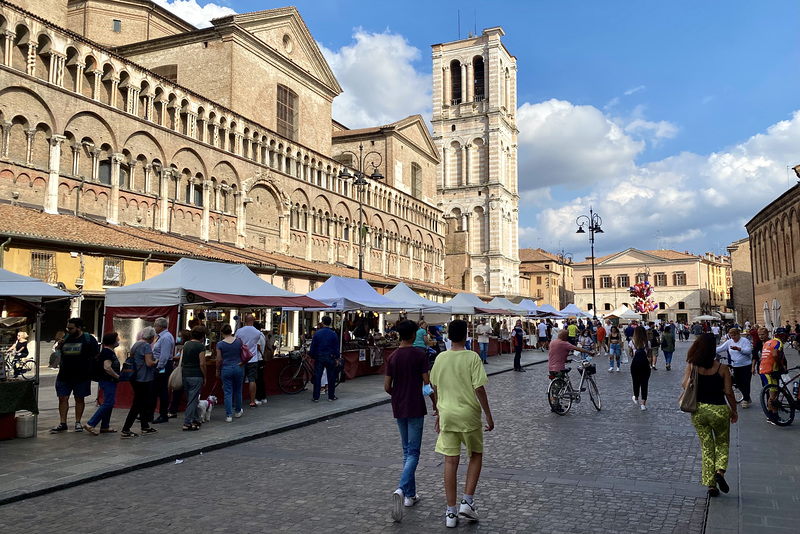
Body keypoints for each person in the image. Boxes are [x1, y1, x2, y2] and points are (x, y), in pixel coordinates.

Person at [429, 319, 494, 528]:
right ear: (466, 336)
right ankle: (467, 500)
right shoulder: (472, 357)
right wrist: (489, 416)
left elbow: (434, 387)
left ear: (448, 336)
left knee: (450, 462)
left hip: (447, 413)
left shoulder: (440, 358)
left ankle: (450, 511)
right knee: (475, 454)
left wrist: (439, 412)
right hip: (469, 414)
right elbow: (479, 389)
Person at [385, 320, 437, 522]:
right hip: (415, 405)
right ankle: (401, 488)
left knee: (407, 450)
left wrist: (396, 393)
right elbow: (427, 382)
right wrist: (435, 402)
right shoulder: (419, 355)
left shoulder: (393, 357)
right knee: (413, 452)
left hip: (399, 405)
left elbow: (387, 386)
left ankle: (410, 494)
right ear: (414, 334)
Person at [683, 333, 738, 496]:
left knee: (707, 447)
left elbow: (684, 384)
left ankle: (711, 486)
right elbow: (729, 392)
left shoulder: (692, 365)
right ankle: (719, 473)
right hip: (719, 409)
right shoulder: (722, 368)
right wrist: (733, 410)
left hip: (699, 410)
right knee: (722, 443)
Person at [50, 318, 98, 434]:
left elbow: (96, 355)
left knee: (79, 398)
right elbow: (58, 354)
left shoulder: (88, 339)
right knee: (62, 398)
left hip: (81, 375)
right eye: (68, 328)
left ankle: (78, 422)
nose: (68, 330)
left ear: (79, 328)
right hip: (64, 374)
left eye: (71, 328)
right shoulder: (65, 338)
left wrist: (88, 367)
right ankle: (63, 423)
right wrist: (59, 347)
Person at [121, 327, 159, 438]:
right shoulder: (146, 346)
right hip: (143, 378)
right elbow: (149, 363)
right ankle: (126, 429)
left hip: (134, 376)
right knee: (137, 404)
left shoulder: (136, 344)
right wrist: (156, 360)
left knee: (142, 403)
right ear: (151, 337)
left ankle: (145, 426)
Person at [83, 332, 121, 435]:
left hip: (109, 381)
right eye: (117, 339)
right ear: (113, 341)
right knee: (108, 402)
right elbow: (107, 367)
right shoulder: (107, 353)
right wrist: (117, 376)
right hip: (108, 381)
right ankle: (91, 423)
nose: (118, 341)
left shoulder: (108, 352)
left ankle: (105, 425)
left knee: (109, 403)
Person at [715, 327, 753, 407]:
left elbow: (748, 351)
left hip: (746, 365)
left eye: (735, 335)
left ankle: (745, 399)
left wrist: (739, 349)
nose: (733, 337)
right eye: (731, 336)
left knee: (745, 382)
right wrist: (709, 350)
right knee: (738, 383)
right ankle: (746, 396)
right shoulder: (729, 342)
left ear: (738, 334)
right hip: (735, 365)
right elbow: (720, 349)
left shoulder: (745, 341)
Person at [180, 326, 207, 431]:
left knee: (191, 398)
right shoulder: (200, 347)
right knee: (193, 399)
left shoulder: (186, 345)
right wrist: (205, 376)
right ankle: (187, 422)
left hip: (185, 374)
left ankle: (196, 419)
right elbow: (202, 363)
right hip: (196, 374)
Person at [758, 327, 787, 425]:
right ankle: (774, 417)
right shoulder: (779, 343)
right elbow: (775, 355)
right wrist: (780, 366)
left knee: (772, 393)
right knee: (773, 395)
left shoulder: (768, 343)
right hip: (770, 371)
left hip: (763, 370)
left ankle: (770, 415)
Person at [216, 324, 244, 422]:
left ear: (222, 333)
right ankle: (237, 411)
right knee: (238, 390)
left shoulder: (220, 344)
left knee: (227, 392)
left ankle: (228, 415)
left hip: (226, 367)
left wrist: (217, 370)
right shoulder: (238, 341)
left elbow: (219, 359)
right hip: (238, 366)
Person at [149, 317, 175, 424]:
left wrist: (159, 367)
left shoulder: (165, 338)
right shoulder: (161, 337)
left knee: (161, 390)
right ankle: (149, 413)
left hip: (162, 365)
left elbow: (164, 355)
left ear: (160, 326)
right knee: (154, 390)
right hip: (160, 364)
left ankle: (163, 414)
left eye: (155, 325)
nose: (154, 327)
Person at [309, 315, 340, 402]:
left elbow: (313, 346)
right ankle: (331, 396)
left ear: (322, 322)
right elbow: (336, 347)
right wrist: (337, 358)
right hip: (330, 357)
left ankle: (316, 396)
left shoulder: (317, 333)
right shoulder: (333, 334)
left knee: (318, 376)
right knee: (331, 377)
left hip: (319, 357)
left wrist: (311, 355)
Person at [235, 314, 263, 409]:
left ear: (244, 320)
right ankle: (252, 401)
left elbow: (236, 342)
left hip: (241, 358)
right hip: (253, 358)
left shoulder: (239, 331)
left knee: (239, 380)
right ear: (253, 320)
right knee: (252, 379)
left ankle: (237, 401)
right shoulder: (257, 332)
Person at [628, 326, 651, 410]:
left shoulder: (632, 342)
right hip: (645, 364)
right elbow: (649, 355)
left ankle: (636, 397)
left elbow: (630, 353)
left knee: (635, 381)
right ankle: (643, 404)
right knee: (644, 383)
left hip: (635, 364)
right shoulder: (647, 342)